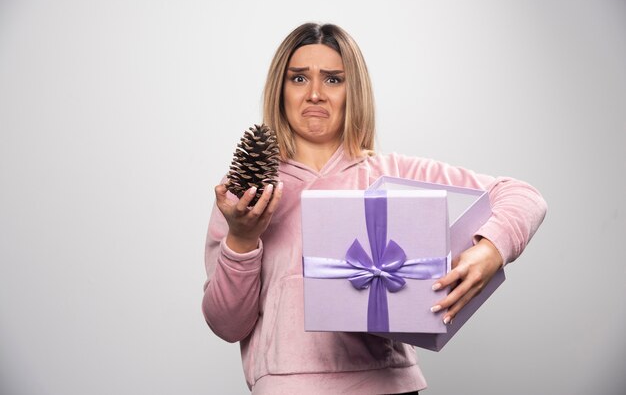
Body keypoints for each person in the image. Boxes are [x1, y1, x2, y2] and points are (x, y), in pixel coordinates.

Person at [202, 23, 547, 395]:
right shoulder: (247, 193)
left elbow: (523, 195)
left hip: (389, 386)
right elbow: (227, 325)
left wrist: (490, 250)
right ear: (280, 90)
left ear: (354, 91)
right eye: (299, 79)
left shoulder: (394, 174)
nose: (315, 94)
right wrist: (241, 237)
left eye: (333, 80)